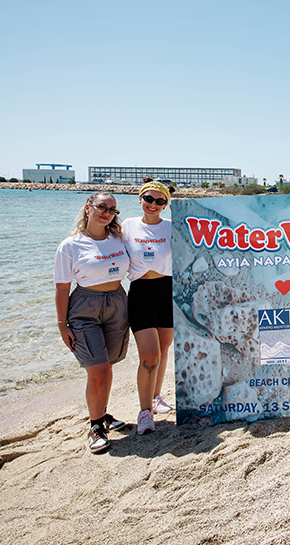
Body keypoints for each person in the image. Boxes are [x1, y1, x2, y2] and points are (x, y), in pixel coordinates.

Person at [54, 192, 131, 453]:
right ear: (88, 208)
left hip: (117, 303)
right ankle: (95, 426)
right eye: (102, 207)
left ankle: (103, 414)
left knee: (107, 366)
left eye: (112, 209)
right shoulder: (70, 245)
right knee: (97, 369)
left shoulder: (119, 238)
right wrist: (62, 324)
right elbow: (62, 288)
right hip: (85, 307)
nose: (107, 213)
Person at [123, 181, 175, 436]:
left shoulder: (172, 226)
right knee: (150, 355)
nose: (153, 204)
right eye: (148, 199)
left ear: (166, 204)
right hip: (141, 294)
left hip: (168, 291)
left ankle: (155, 397)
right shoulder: (127, 226)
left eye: (159, 201)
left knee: (163, 349)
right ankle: (145, 412)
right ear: (140, 199)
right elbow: (101, 241)